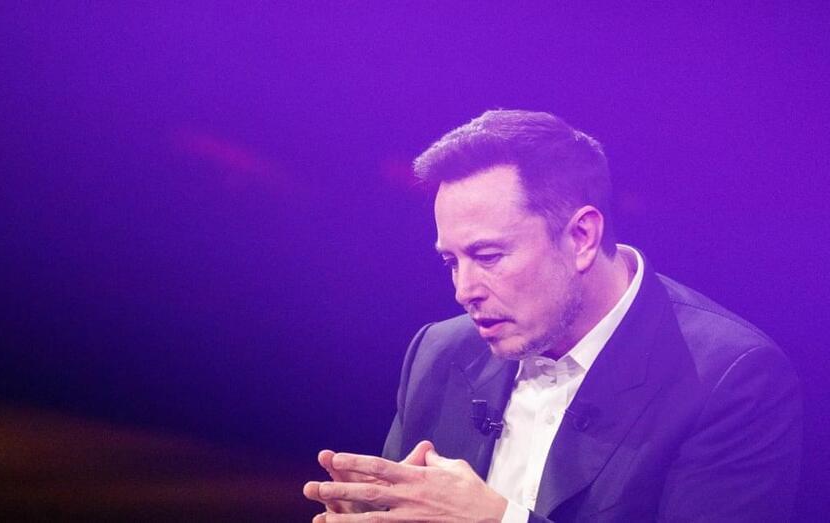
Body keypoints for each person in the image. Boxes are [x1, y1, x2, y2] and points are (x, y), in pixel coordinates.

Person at [303, 110, 802, 522]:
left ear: (581, 237)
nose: (463, 291)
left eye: (489, 256)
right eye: (451, 261)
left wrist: (499, 521)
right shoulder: (439, 352)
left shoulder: (730, 378)